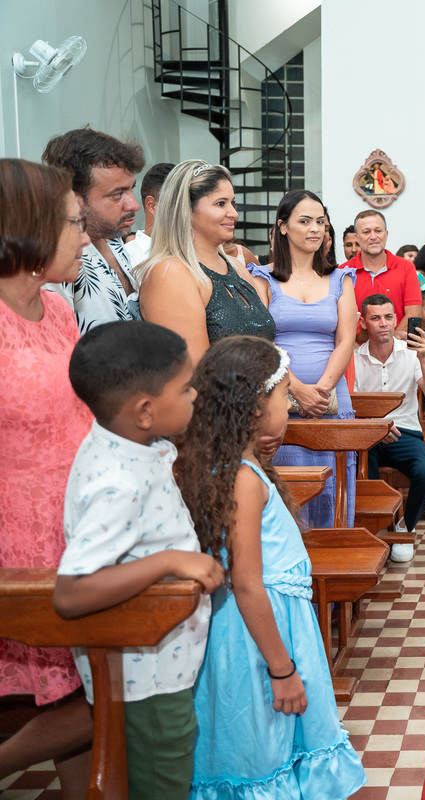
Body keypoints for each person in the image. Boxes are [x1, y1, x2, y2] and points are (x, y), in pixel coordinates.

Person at [177, 336, 367, 798]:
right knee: (259, 747)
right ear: (253, 407)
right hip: (255, 643)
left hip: (266, 631)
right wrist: (282, 669)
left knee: (273, 743)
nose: (290, 405)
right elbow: (246, 584)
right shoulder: (241, 479)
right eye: (284, 396)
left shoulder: (237, 467)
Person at [55, 321, 223, 800]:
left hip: (159, 667)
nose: (195, 396)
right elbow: (72, 592)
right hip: (144, 683)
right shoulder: (117, 482)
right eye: (186, 388)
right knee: (160, 783)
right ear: (145, 411)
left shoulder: (129, 442)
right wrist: (170, 560)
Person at [0, 158, 94, 798]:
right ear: (29, 229)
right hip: (16, 538)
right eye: (73, 224)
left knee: (90, 691)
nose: (85, 238)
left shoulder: (58, 308)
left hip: (76, 524)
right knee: (84, 694)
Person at [251, 189, 357, 529]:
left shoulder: (340, 278)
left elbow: (345, 340)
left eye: (320, 222)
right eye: (305, 221)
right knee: (287, 494)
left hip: (330, 400)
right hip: (280, 402)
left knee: (330, 492)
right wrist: (297, 390)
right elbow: (260, 342)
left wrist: (321, 391)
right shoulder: (263, 278)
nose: (315, 229)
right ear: (282, 227)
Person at [135, 160, 275, 364]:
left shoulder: (237, 267)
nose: (234, 214)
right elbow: (195, 373)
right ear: (187, 210)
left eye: (232, 203)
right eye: (221, 203)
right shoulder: (169, 273)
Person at [355, 294, 425, 561]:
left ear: (396, 320)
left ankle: (406, 525)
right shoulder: (354, 358)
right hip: (369, 435)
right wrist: (376, 427)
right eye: (376, 318)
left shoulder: (411, 354)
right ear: (363, 322)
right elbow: (352, 408)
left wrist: (424, 358)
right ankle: (375, 531)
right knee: (362, 475)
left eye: (389, 317)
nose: (384, 323)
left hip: (406, 432)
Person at [42, 127, 146, 333]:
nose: (134, 205)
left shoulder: (113, 237)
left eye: (131, 189)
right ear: (74, 196)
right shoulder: (57, 260)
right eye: (117, 195)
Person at [344, 210, 421, 330]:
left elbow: (414, 314)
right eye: (366, 232)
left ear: (386, 234)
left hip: (398, 345)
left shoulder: (406, 268)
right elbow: (341, 317)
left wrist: (390, 343)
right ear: (357, 237)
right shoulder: (343, 271)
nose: (373, 237)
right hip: (356, 347)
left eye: (378, 231)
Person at [123, 161, 174, 266]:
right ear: (152, 206)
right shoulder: (128, 258)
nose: (186, 210)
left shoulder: (196, 250)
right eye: (177, 202)